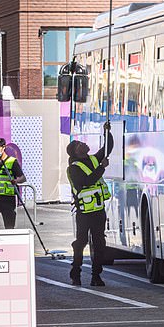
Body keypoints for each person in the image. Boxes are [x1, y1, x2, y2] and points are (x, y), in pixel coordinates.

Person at [66, 122, 114, 287]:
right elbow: (85, 182)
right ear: (76, 152)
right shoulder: (73, 168)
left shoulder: (93, 159)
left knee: (100, 243)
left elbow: (107, 148)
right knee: (81, 242)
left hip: (98, 210)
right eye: (79, 144)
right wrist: (101, 168)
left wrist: (107, 132)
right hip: (84, 212)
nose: (83, 143)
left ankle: (96, 276)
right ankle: (76, 272)